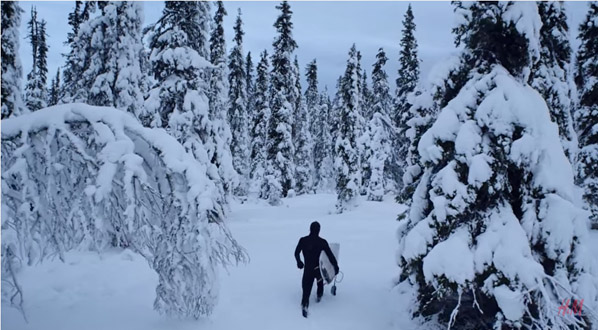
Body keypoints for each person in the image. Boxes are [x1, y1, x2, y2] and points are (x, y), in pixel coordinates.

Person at [294, 221, 339, 318]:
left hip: (308, 269)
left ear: (310, 229)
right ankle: (319, 297)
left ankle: (305, 304)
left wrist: (299, 262)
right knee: (320, 284)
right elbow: (330, 256)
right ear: (319, 230)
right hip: (318, 270)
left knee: (306, 289)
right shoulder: (322, 242)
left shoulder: (303, 240)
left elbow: (296, 253)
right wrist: (335, 266)